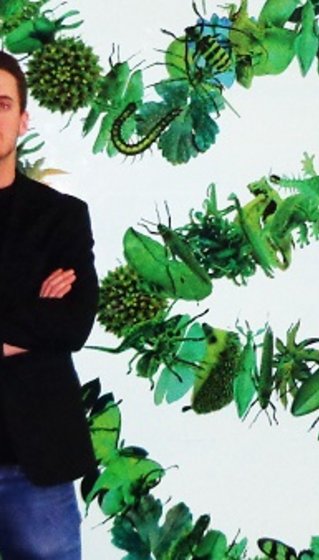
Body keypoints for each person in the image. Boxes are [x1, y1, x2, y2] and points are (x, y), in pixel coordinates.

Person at [0, 51, 98, 559]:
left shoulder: (61, 217)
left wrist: (43, 320)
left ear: (23, 119)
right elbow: (46, 324)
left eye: (1, 104)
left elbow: (72, 323)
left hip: (36, 459)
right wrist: (31, 313)